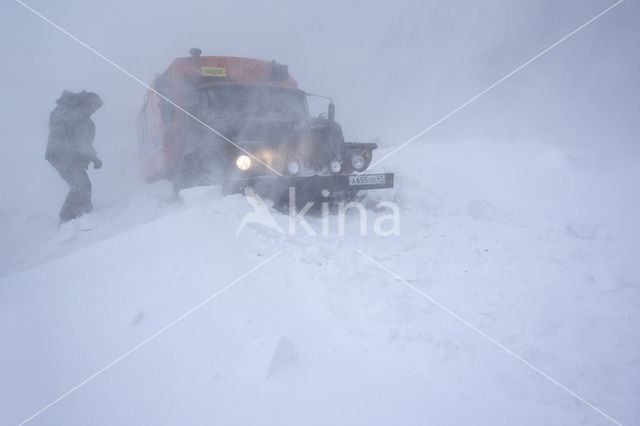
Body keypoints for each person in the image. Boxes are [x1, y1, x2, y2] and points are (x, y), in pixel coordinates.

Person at [45, 90, 103, 223]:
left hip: (70, 156)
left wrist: (94, 158)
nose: (94, 111)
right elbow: (72, 138)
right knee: (80, 186)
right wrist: (77, 151)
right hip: (61, 155)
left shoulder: (83, 118)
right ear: (87, 104)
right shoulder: (65, 112)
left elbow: (84, 142)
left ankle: (86, 214)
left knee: (83, 186)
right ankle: (66, 220)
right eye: (94, 108)